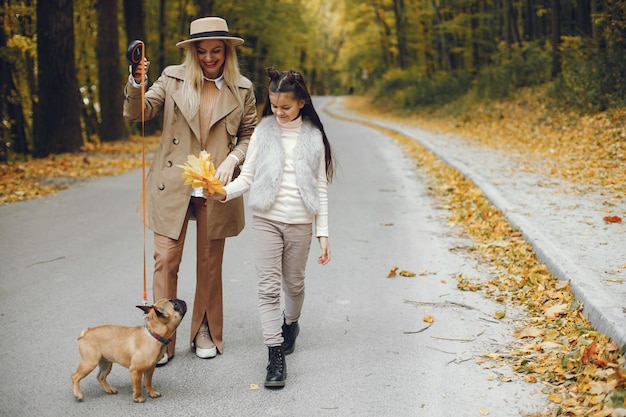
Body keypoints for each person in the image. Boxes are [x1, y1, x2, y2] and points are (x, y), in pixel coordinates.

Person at [123, 17, 257, 366]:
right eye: (202, 51)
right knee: (166, 259)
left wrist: (235, 159)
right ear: (192, 52)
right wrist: (138, 81)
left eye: (216, 51)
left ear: (227, 52)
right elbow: (139, 113)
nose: (209, 58)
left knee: (210, 264)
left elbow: (250, 134)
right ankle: (161, 339)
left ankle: (204, 329)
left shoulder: (242, 88)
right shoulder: (171, 78)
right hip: (173, 184)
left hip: (216, 186)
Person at [208, 67, 334, 388]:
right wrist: (224, 193)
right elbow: (247, 178)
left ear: (302, 102)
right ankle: (274, 353)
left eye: (285, 107)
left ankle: (291, 323)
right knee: (267, 288)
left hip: (301, 223)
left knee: (293, 285)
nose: (278, 112)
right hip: (266, 219)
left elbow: (320, 187)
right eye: (274, 106)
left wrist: (323, 233)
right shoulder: (263, 132)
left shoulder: (313, 137)